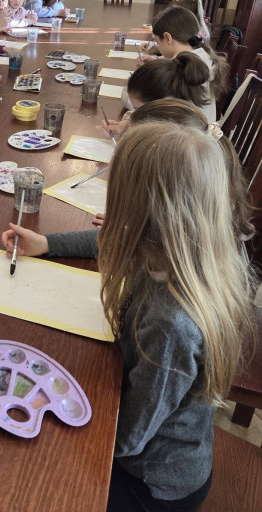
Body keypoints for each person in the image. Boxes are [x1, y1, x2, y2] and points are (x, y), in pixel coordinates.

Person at [100, 123, 255, 510]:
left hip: (152, 480)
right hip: (165, 449)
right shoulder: (196, 253)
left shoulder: (170, 322)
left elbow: (129, 438)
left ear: (143, 216)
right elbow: (113, 236)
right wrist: (50, 244)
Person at [1, 98, 254, 262]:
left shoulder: (168, 316)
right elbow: (127, 243)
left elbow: (128, 243)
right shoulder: (180, 231)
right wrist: (47, 243)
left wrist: (126, 232)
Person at [148, 5, 228, 121]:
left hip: (184, 135)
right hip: (203, 133)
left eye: (157, 41)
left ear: (167, 38)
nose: (158, 46)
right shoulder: (203, 57)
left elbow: (140, 101)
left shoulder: (178, 68)